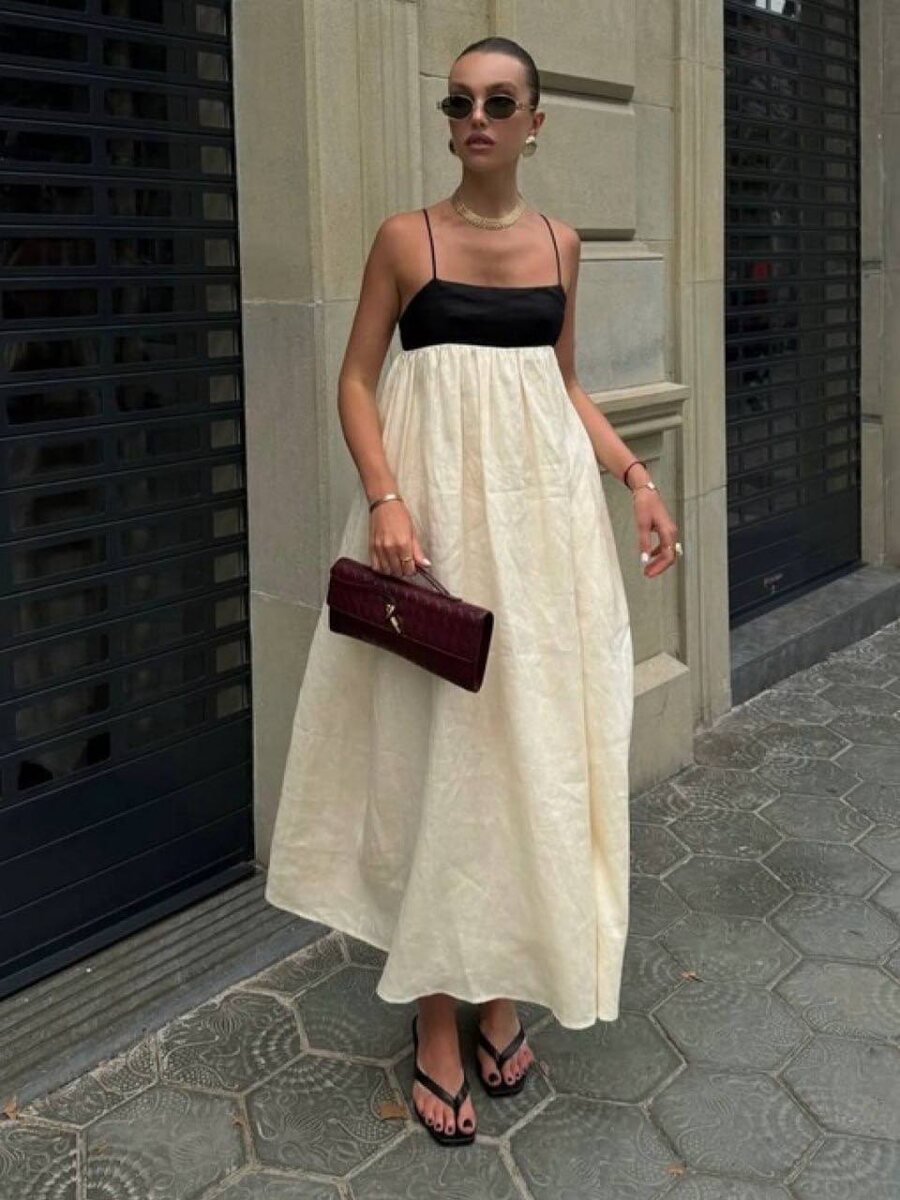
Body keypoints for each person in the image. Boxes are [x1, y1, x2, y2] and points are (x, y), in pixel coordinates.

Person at [264, 35, 681, 1147]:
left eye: (500, 102)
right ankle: (438, 1015)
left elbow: (564, 385)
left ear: (536, 122)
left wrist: (638, 479)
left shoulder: (562, 245)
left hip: (543, 541)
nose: (477, 119)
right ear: (448, 120)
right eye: (460, 102)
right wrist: (387, 497)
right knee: (433, 757)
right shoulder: (405, 238)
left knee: (522, 756)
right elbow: (357, 379)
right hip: (431, 532)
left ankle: (501, 987)